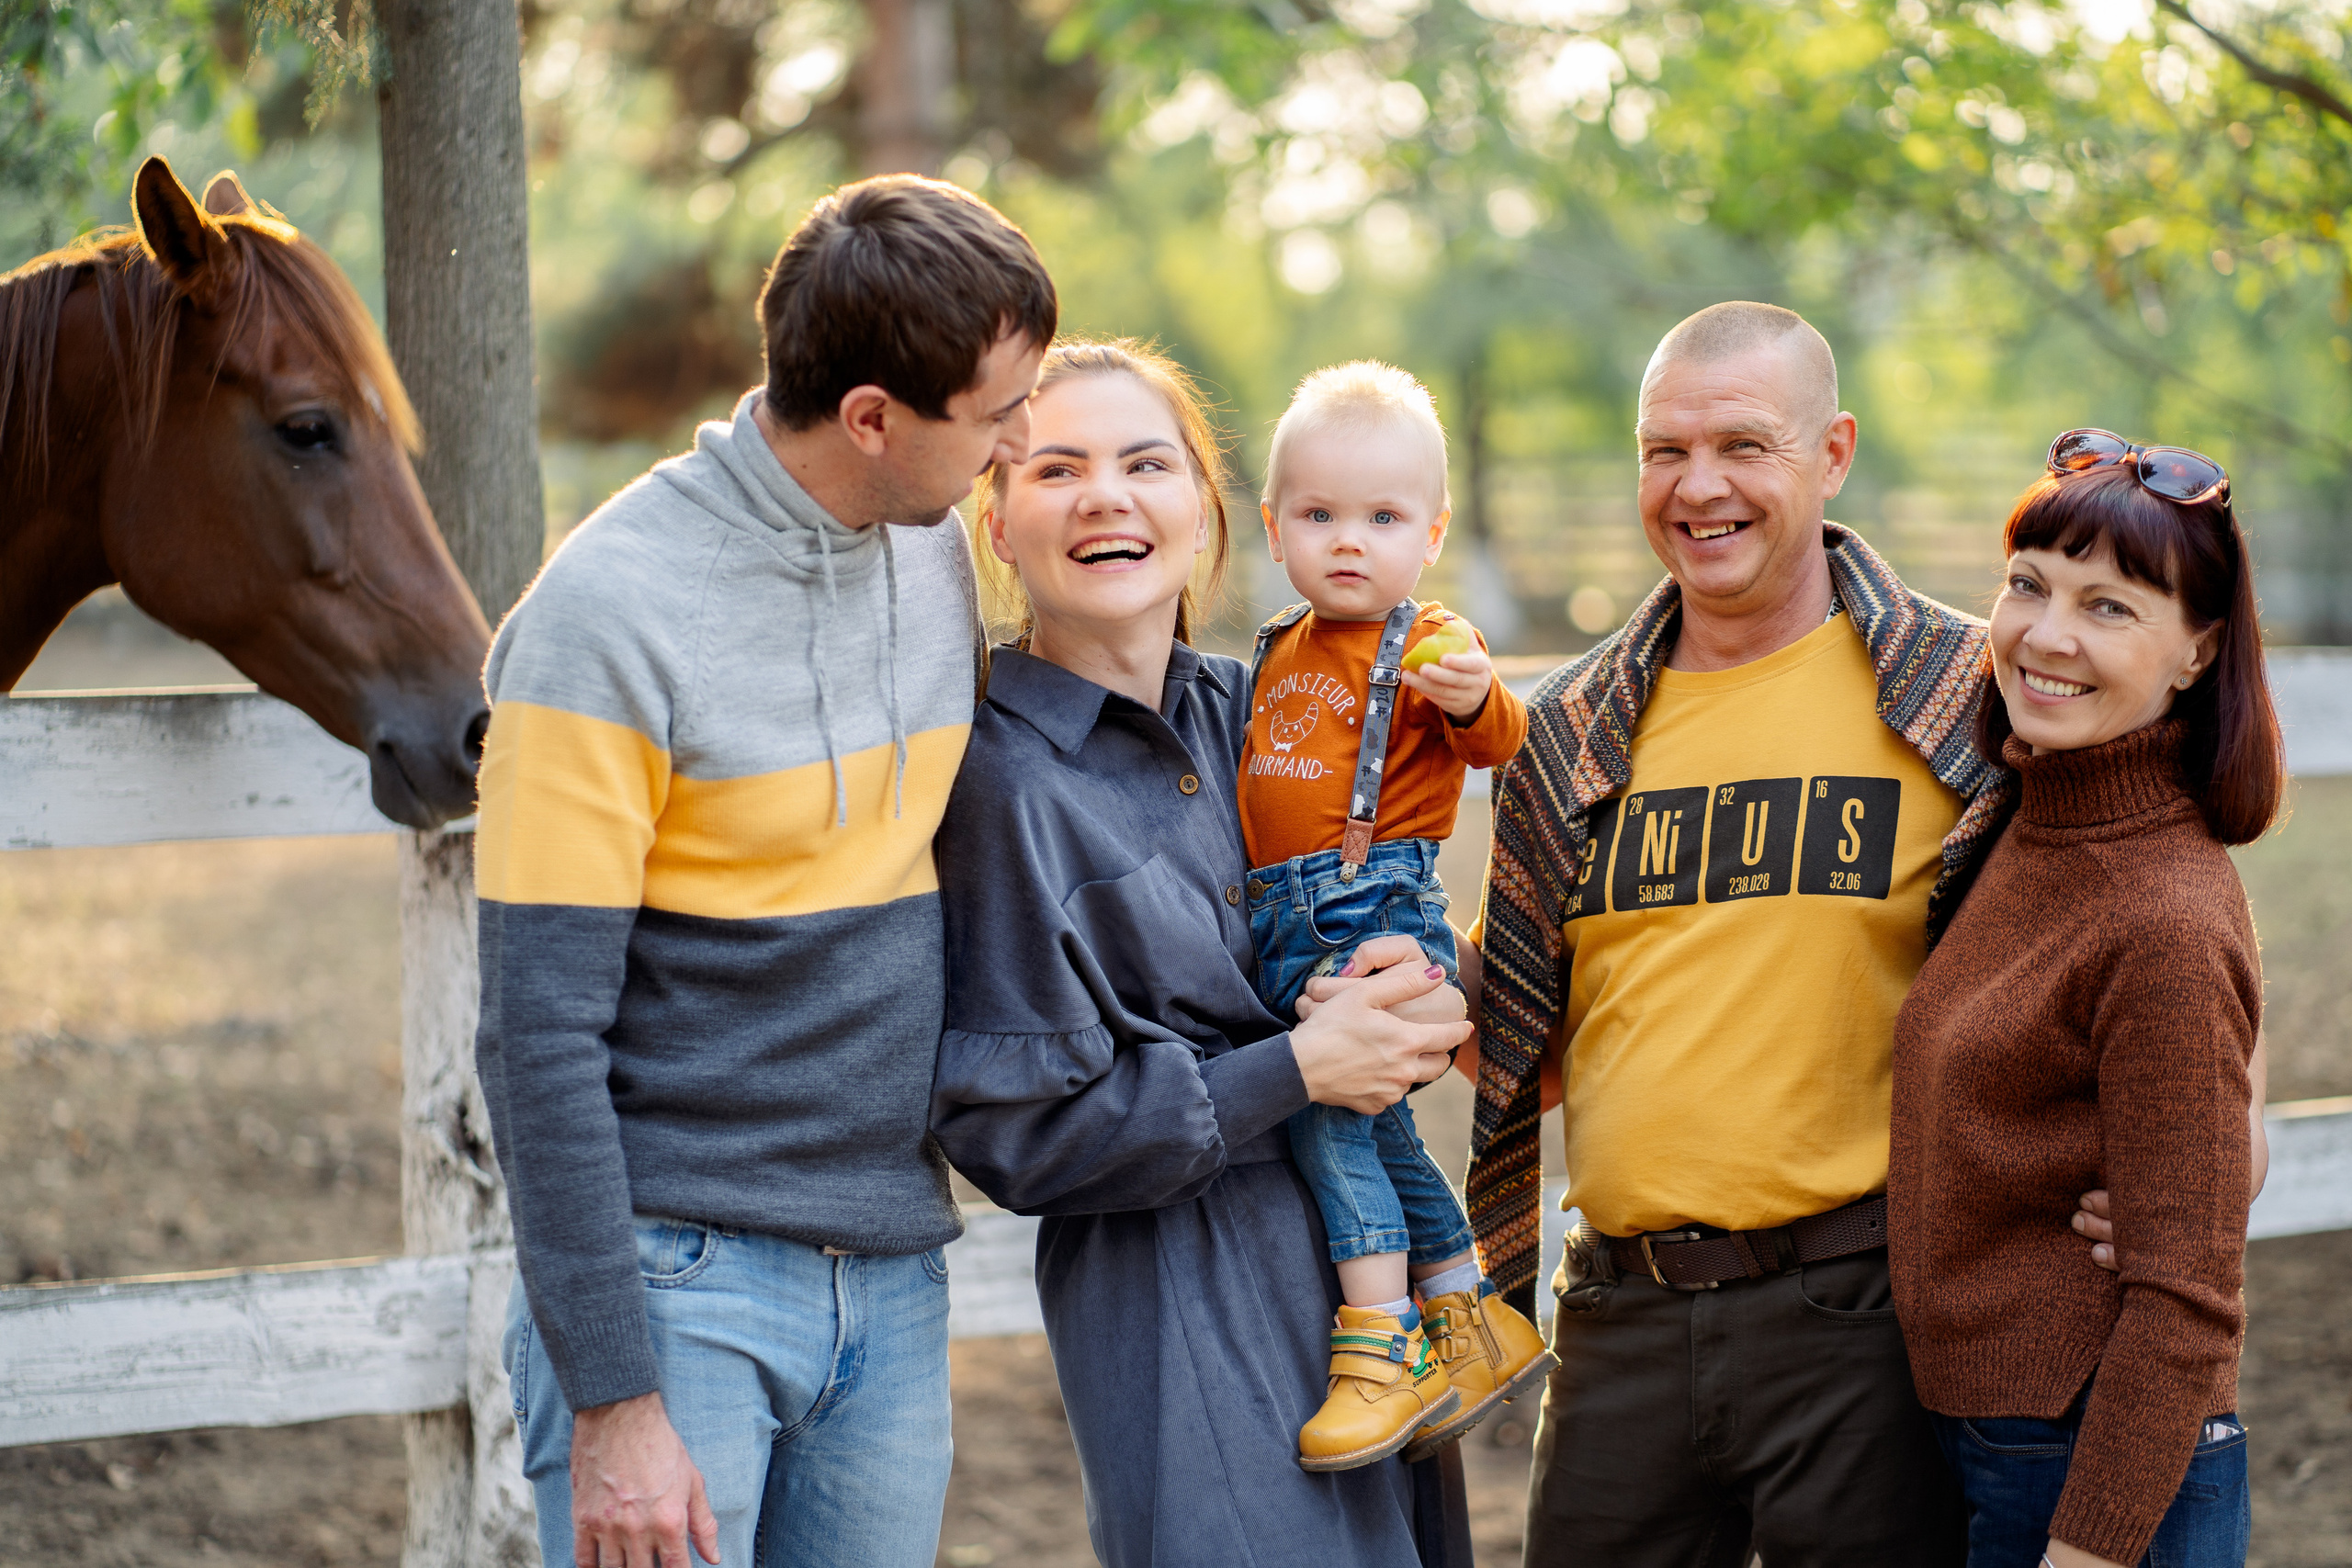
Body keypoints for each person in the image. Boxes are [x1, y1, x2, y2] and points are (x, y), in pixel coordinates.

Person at [472, 176, 1054, 1568]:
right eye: (995, 415)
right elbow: (536, 1034)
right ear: (871, 419)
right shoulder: (605, 618)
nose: (1019, 445)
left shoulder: (934, 554)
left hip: (896, 1276)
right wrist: (615, 1395)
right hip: (679, 1289)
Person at [1463, 301, 2009, 1565]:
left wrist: (2205, 1113)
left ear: (1833, 454)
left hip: (1858, 1312)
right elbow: (1524, 1027)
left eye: (1743, 445)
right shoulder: (1573, 728)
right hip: (1619, 1317)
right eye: (1665, 450)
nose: (1698, 486)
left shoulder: (1959, 698)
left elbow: (2126, 894)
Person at [930, 338, 1476, 1567]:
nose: (1107, 493)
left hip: (1367, 1281)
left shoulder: (1272, 708)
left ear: (1206, 509)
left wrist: (1417, 986)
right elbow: (1017, 1129)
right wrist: (1297, 1065)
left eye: (1146, 461)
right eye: (1055, 467)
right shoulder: (1000, 776)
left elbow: (1381, 918)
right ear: (999, 523)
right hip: (1180, 1286)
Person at [1890, 432, 2282, 1568]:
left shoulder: (2158, 906)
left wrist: (2091, 1547)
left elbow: (2188, 1303)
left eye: (2108, 608)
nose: (2044, 636)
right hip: (2002, 1441)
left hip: (2096, 1471)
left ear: (2197, 654)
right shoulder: (2031, 816)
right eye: (2027, 586)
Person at [1239, 361, 1553, 1472]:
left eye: (1382, 517)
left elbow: (1504, 738)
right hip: (1290, 933)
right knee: (1373, 1125)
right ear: (1274, 528)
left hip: (1379, 919)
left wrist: (1473, 693)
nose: (1348, 541)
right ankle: (1473, 1315)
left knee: (1326, 1117)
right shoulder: (1274, 650)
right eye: (1319, 515)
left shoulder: (1424, 639)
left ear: (1429, 534)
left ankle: (1376, 1348)